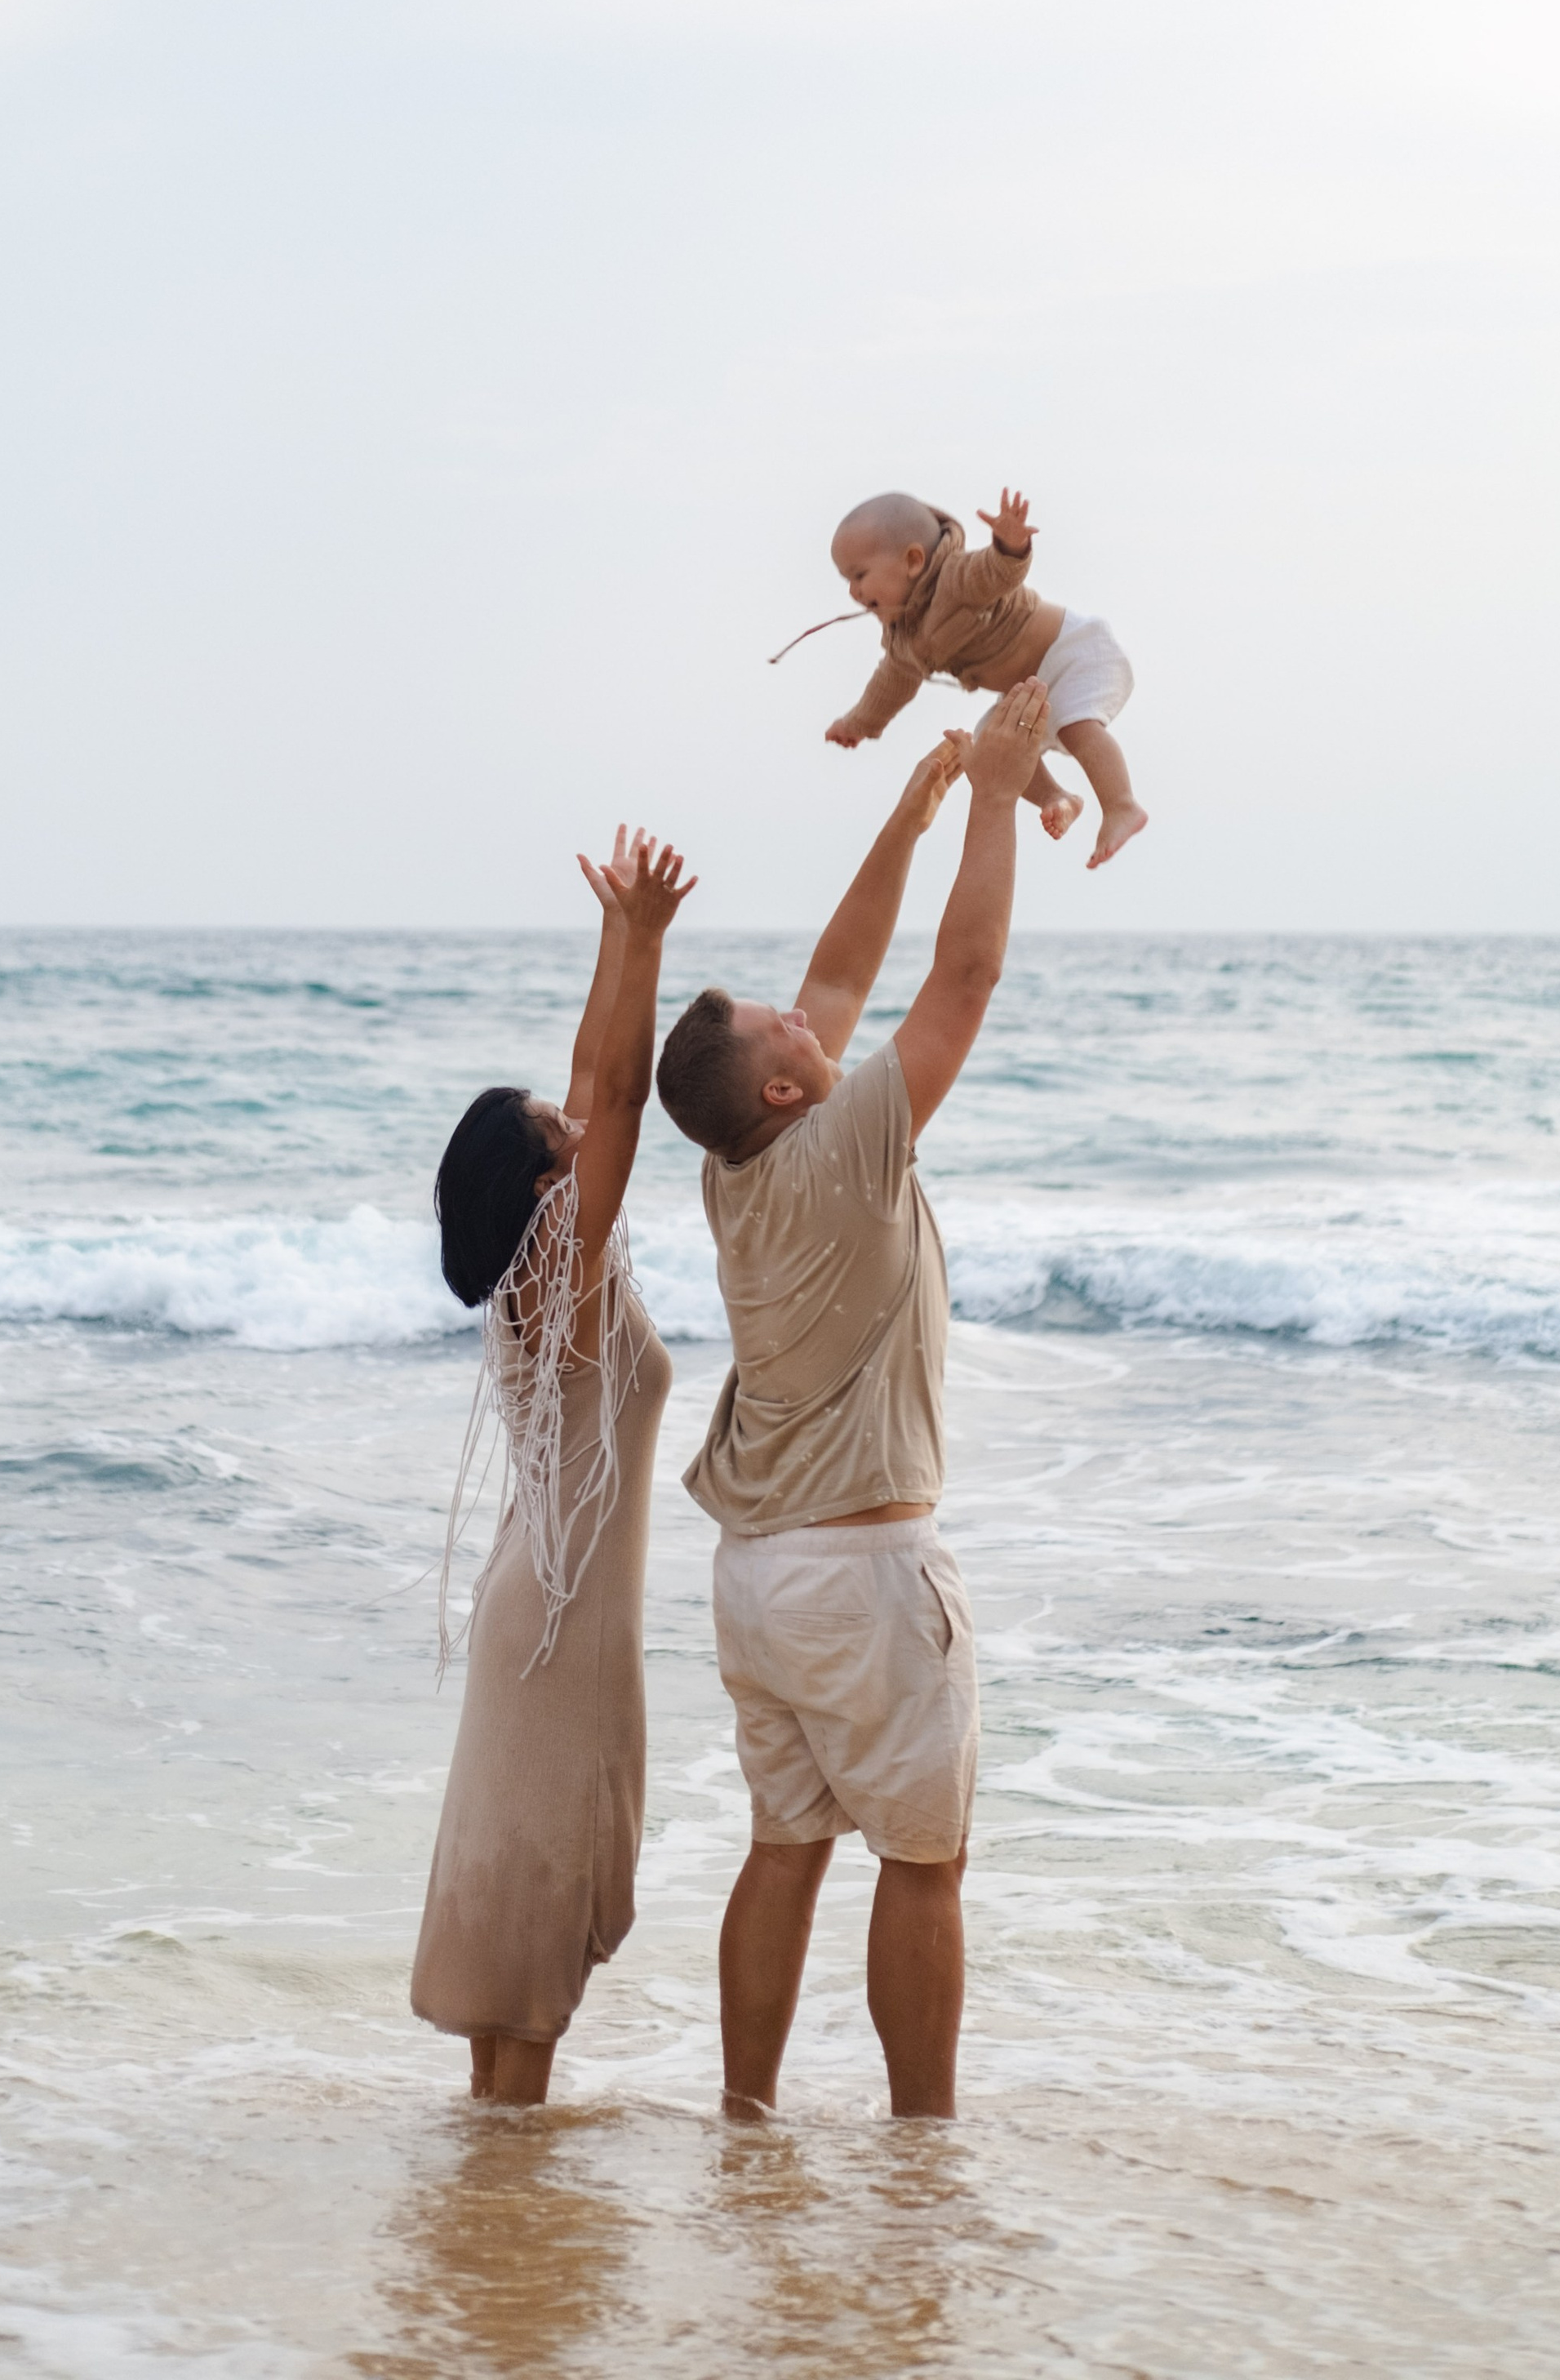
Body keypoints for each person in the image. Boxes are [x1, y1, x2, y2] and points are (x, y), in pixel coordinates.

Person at [654, 685, 1051, 2120]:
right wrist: (997, 795)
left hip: (755, 1575)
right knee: (925, 1859)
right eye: (785, 1028)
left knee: (786, 1845)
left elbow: (836, 974)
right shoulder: (848, 1147)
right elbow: (964, 979)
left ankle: (747, 2119)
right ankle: (922, 2144)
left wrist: (912, 804)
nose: (809, 1013)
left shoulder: (736, 1165)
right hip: (863, 1572)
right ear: (780, 1089)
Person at [411, 828, 696, 2106]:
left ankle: (495, 2173)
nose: (583, 1135)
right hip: (560, 1625)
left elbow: (596, 1089)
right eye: (559, 1138)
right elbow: (616, 1093)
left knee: (517, 1962)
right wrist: (640, 945)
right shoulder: (560, 1282)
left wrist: (625, 940)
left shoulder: (533, 1289)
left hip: (539, 1599)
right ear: (542, 1185)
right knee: (531, 1958)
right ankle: (505, 2221)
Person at [810, 485, 1146, 866]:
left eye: (860, 575)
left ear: (914, 560)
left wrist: (1009, 547)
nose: (854, 591)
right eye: (847, 582)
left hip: (1072, 652)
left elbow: (996, 573)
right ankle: (1058, 798)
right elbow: (891, 684)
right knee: (992, 748)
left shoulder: (957, 579)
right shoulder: (906, 639)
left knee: (1077, 725)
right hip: (1030, 689)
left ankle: (1120, 805)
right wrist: (859, 723)